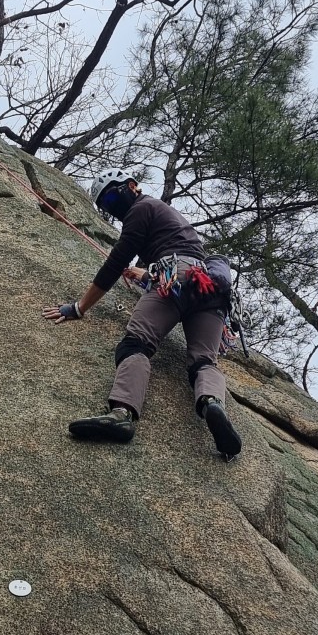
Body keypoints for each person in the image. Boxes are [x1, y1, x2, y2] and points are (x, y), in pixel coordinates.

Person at [44, 169, 243, 457]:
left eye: (113, 196)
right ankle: (212, 403)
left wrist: (79, 307)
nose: (112, 206)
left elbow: (116, 261)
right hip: (210, 291)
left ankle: (122, 414)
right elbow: (160, 254)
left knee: (136, 343)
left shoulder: (142, 207)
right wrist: (144, 274)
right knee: (203, 361)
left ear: (132, 186)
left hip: (178, 276)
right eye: (106, 205)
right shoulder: (165, 217)